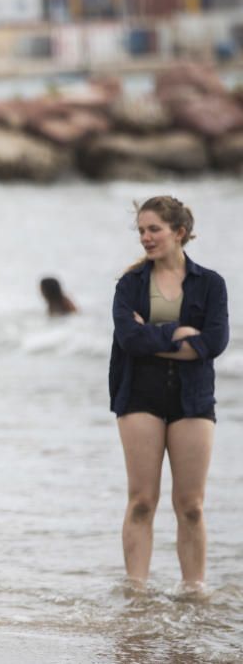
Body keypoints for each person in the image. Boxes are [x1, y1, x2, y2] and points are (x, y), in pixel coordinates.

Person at [109, 195, 229, 594]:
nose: (145, 237)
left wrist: (152, 336)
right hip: (139, 393)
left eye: (153, 229)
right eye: (141, 230)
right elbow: (129, 339)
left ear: (179, 233)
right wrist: (178, 334)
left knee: (191, 506)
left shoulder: (210, 284)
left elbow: (214, 342)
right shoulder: (130, 284)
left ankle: (194, 592)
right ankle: (136, 594)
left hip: (194, 397)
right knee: (142, 501)